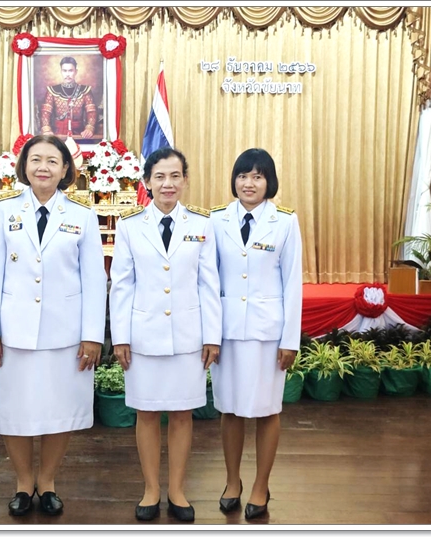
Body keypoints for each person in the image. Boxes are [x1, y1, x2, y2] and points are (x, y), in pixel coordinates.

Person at [0, 134, 107, 517]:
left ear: (66, 169)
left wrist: (91, 335)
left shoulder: (82, 215)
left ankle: (47, 482)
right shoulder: (3, 212)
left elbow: (94, 279)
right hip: (14, 331)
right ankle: (22, 483)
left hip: (64, 333)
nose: (43, 168)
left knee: (58, 410)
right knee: (16, 410)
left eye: (53, 161)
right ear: (23, 167)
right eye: (36, 160)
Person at [109, 147, 221, 522]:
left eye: (175, 176)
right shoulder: (128, 226)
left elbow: (209, 284)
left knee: (182, 414)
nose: (168, 184)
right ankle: (151, 489)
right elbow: (121, 285)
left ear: (185, 180)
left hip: (188, 336)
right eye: (160, 176)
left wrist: (213, 336)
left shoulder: (203, 225)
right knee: (146, 412)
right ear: (146, 182)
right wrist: (120, 337)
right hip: (143, 336)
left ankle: (176, 489)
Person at [209, 148, 302, 520]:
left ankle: (261, 485)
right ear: (234, 180)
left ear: (269, 183)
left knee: (266, 411)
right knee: (230, 410)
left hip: (268, 334)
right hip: (228, 332)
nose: (250, 183)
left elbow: (293, 282)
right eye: (243, 175)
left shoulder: (285, 222)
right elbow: (209, 280)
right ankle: (233, 481)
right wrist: (209, 335)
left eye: (258, 176)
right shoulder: (216, 220)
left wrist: (290, 340)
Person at [40, 56, 97, 138]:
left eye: (70, 70)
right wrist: (47, 130)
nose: (67, 74)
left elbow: (91, 112)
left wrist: (89, 128)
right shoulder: (52, 90)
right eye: (64, 71)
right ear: (61, 72)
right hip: (57, 134)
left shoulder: (85, 90)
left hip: (79, 134)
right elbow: (45, 113)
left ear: (76, 72)